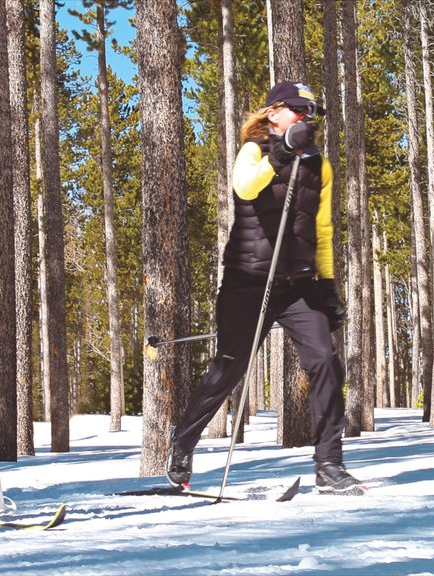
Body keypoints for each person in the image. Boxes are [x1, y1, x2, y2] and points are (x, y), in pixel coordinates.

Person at [166, 81, 360, 494]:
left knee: (325, 361)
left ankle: (329, 464)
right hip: (248, 281)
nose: (307, 117)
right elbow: (245, 187)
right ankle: (183, 440)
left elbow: (321, 229)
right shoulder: (254, 149)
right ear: (274, 113)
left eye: (312, 111)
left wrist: (326, 286)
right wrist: (282, 150)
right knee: (229, 367)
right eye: (298, 109)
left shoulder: (318, 164)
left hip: (298, 285)